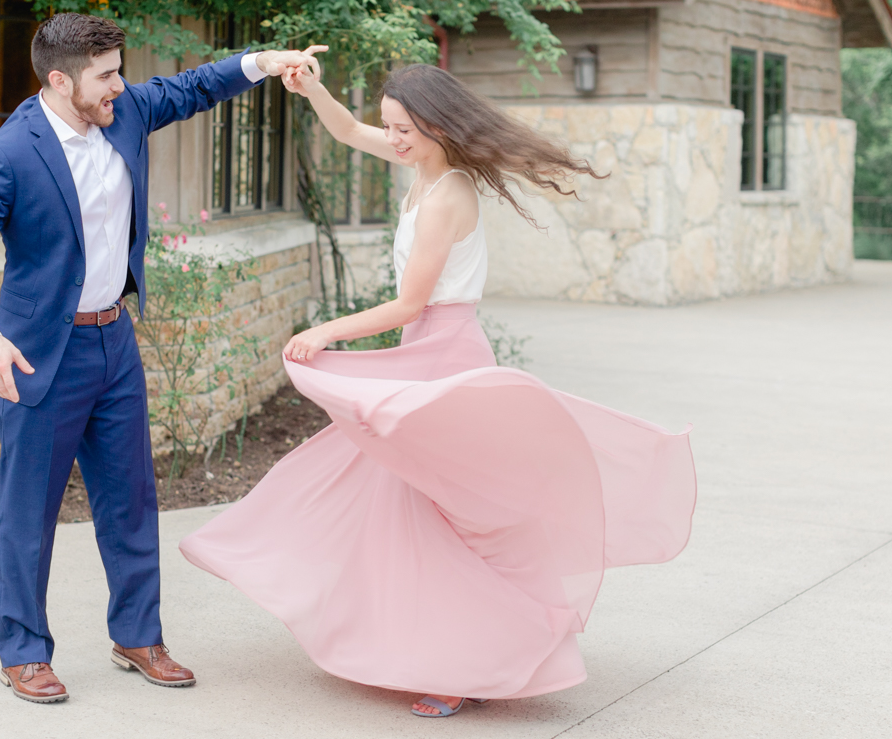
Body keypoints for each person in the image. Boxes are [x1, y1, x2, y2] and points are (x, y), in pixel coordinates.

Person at [180, 62, 698, 717]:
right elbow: (346, 131)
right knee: (389, 499)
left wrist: (325, 332)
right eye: (390, 126)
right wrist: (311, 88)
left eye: (403, 129)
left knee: (454, 518)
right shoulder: (420, 166)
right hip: (421, 354)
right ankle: (431, 649)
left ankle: (471, 661)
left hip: (445, 357)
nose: (391, 138)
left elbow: (410, 302)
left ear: (435, 125)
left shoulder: (449, 192)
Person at [0, 12, 322, 704]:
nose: (122, 84)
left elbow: (195, 87)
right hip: (36, 357)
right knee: (29, 511)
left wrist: (267, 60)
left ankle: (138, 636)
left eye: (120, 70)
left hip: (115, 341)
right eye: (106, 74)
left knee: (131, 500)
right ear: (60, 80)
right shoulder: (8, 152)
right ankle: (24, 650)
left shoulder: (124, 113)